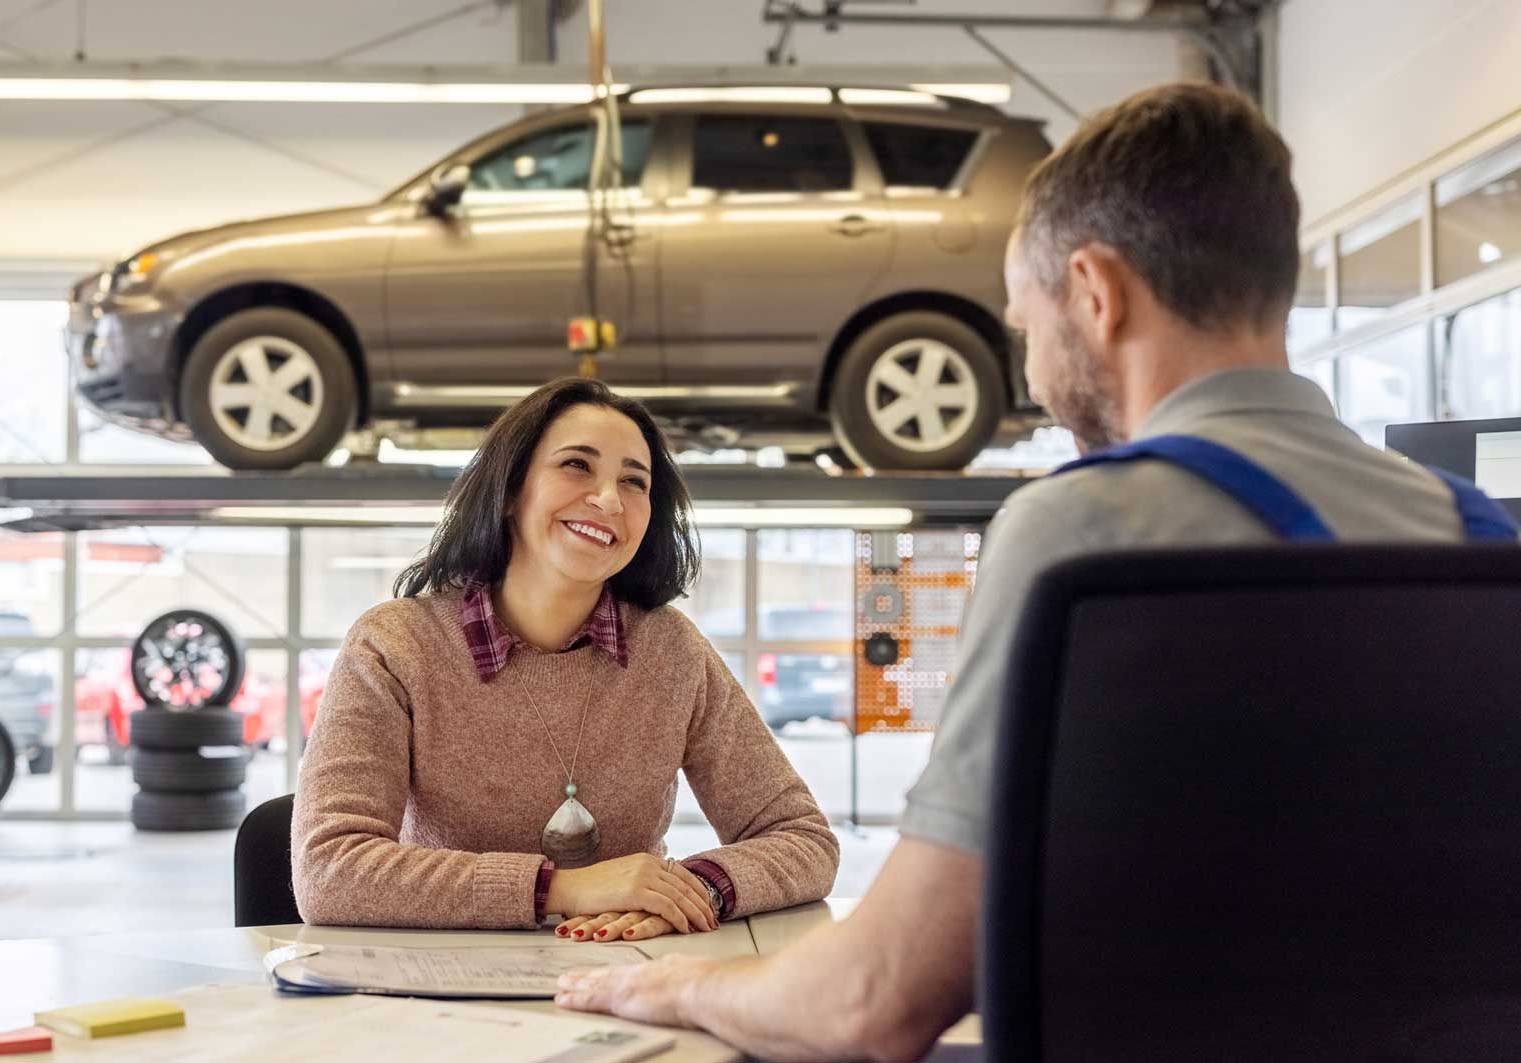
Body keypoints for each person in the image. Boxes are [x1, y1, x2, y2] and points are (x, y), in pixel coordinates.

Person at [554, 81, 1517, 1059]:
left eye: (1024, 326)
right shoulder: (1482, 544)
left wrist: (690, 989)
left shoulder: (1079, 527)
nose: (1033, 373)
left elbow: (874, 1003)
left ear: (1096, 294)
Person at [292, 378, 838, 942]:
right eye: (577, 465)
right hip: (440, 985)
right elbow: (330, 869)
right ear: (509, 490)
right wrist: (566, 889)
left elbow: (803, 838)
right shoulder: (395, 646)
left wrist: (692, 888)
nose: (608, 500)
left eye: (633, 481)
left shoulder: (673, 651)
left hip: (624, 973)